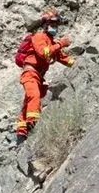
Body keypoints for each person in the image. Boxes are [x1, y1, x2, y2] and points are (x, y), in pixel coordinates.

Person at [15, 9, 76, 143]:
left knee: (29, 102)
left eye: (56, 26)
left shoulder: (52, 43)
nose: (54, 28)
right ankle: (32, 125)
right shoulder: (39, 37)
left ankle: (21, 134)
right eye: (52, 25)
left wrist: (76, 63)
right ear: (45, 25)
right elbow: (44, 53)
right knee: (34, 96)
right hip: (30, 73)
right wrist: (61, 44)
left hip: (38, 77)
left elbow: (63, 58)